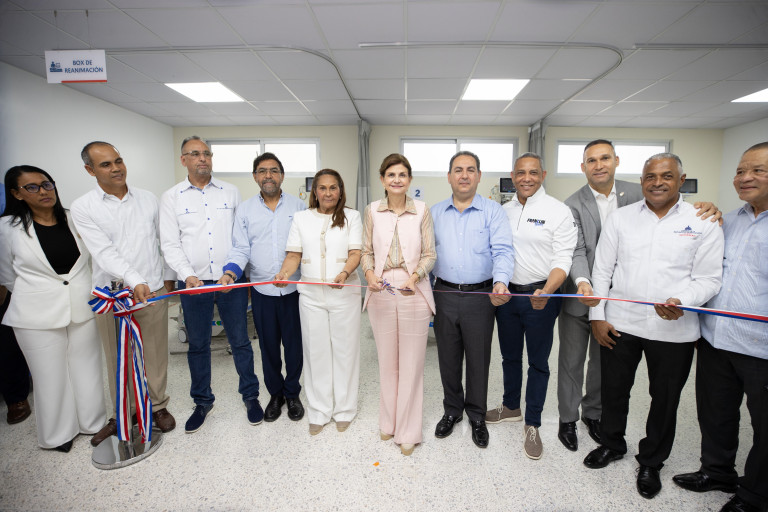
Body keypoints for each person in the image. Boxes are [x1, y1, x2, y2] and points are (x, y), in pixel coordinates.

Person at [558, 139, 722, 453]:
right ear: (583, 167)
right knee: (585, 370)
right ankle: (574, 422)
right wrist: (588, 292)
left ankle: (603, 422)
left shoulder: (652, 198)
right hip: (597, 304)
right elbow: (583, 255)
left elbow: (708, 276)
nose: (599, 165)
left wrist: (683, 299)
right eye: (591, 160)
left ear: (617, 161)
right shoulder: (576, 204)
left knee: (641, 387)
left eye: (605, 158)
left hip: (666, 322)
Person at [673, 142, 768, 512]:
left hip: (761, 348)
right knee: (716, 414)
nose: (745, 178)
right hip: (716, 340)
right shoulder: (723, 221)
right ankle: (716, 472)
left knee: (764, 427)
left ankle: (754, 496)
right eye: (741, 171)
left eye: (758, 170)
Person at [71, 141, 176, 446]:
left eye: (118, 161)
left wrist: (168, 276)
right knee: (118, 357)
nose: (116, 168)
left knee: (155, 354)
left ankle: (157, 407)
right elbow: (103, 252)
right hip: (114, 296)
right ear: (90, 170)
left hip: (152, 290)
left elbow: (164, 241)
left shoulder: (148, 199)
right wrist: (134, 280)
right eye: (106, 164)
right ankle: (124, 412)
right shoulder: (83, 207)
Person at [160, 136, 263, 433]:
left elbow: (241, 239)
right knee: (198, 344)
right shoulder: (171, 197)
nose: (202, 158)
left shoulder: (230, 192)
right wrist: (186, 274)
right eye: (195, 154)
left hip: (230, 279)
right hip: (194, 283)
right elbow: (170, 243)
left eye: (206, 153)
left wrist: (235, 273)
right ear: (183, 160)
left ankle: (251, 396)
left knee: (240, 341)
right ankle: (203, 401)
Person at [0, 165, 106, 451]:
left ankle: (93, 423)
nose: (43, 191)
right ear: (16, 193)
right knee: (49, 375)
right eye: (32, 187)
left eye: (47, 184)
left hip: (83, 306)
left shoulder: (73, 218)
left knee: (88, 368)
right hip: (35, 312)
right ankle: (58, 434)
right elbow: (6, 274)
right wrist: (36, 292)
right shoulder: (7, 228)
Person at [487, 152, 577, 460]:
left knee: (538, 362)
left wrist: (548, 291)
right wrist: (496, 284)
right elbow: (496, 251)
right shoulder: (503, 211)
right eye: (521, 173)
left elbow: (563, 259)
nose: (527, 178)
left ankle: (533, 423)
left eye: (533, 172)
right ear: (513, 176)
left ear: (543, 175)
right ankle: (511, 407)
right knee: (509, 357)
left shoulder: (558, 211)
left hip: (541, 298)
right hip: (507, 298)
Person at [431, 151, 514, 449]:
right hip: (443, 293)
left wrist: (501, 281)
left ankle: (477, 415)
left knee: (478, 358)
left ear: (479, 176)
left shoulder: (493, 212)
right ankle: (452, 410)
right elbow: (425, 254)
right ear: (449, 176)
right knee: (448, 358)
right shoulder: (434, 213)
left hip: (481, 295)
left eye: (470, 170)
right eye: (458, 170)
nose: (464, 175)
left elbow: (503, 250)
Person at [218, 152, 305, 424]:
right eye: (263, 171)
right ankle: (276, 394)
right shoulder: (245, 210)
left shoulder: (300, 207)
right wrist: (230, 272)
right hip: (262, 292)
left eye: (274, 170)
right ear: (255, 176)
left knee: (294, 347)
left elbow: (306, 247)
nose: (269, 175)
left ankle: (293, 393)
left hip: (294, 290)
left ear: (282, 175)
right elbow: (241, 248)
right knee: (268, 348)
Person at [274, 169, 362, 435]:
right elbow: (293, 255)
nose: (328, 193)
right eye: (322, 188)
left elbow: (355, 253)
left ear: (340, 190)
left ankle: (345, 409)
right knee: (316, 352)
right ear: (315, 191)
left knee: (345, 352)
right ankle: (320, 410)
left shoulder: (352, 216)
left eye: (333, 187)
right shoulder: (302, 218)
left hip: (343, 293)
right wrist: (284, 273)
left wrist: (344, 273)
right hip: (311, 296)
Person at [362, 154, 436, 456]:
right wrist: (369, 274)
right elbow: (366, 251)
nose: (396, 180)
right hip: (380, 290)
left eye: (402, 175)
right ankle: (389, 421)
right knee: (387, 361)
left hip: (413, 289)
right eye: (391, 175)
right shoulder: (372, 211)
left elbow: (430, 254)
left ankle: (408, 430)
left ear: (409, 179)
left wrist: (415, 277)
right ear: (382, 180)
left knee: (411, 363)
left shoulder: (422, 210)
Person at [0, 180, 32, 426]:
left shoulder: (4, 193)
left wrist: (11, 290)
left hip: (11, 285)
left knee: (8, 343)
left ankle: (16, 397)